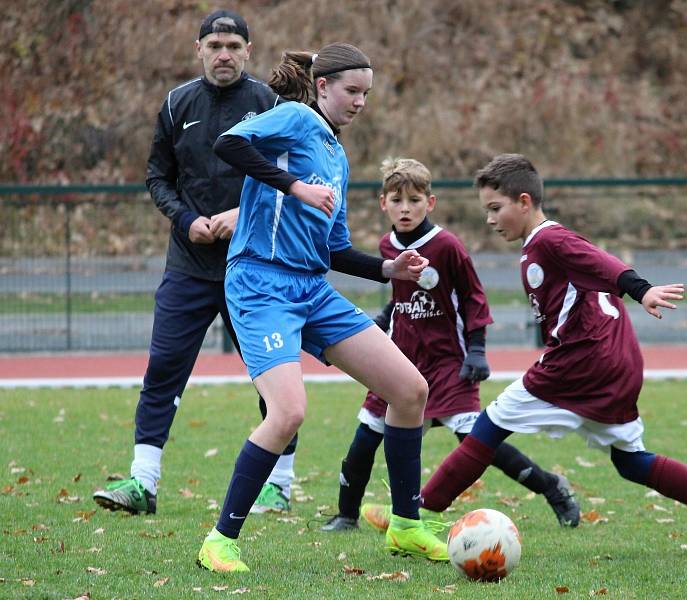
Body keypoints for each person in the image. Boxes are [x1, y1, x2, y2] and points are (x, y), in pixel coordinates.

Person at [364, 153, 687, 559]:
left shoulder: (550, 239)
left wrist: (641, 288)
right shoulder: (540, 246)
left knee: (487, 427)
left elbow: (602, 262)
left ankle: (413, 516)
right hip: (617, 361)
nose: (489, 220)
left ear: (524, 202)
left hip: (581, 362)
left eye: (495, 208)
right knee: (631, 462)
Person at [197, 42, 449, 573]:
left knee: (410, 391)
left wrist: (389, 270)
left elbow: (333, 250)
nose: (359, 102)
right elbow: (228, 144)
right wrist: (293, 187)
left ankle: (405, 525)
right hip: (261, 285)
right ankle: (220, 541)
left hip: (310, 289)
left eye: (366, 94)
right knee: (287, 412)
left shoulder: (336, 155)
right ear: (322, 87)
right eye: (352, 91)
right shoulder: (292, 118)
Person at [92, 9, 296, 517]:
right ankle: (143, 483)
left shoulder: (268, 104)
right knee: (163, 368)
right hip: (188, 264)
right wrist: (186, 220)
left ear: (248, 51)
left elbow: (289, 179)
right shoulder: (176, 103)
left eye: (232, 45)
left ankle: (281, 485)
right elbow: (157, 177)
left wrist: (237, 213)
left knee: (273, 376)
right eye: (214, 46)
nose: (223, 54)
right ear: (198, 50)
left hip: (254, 266)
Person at [319, 158, 580, 534]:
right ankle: (346, 515)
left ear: (431, 203)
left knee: (477, 444)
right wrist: (384, 320)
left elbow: (474, 298)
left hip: (448, 364)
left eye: (413, 199)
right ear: (383, 204)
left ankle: (551, 487)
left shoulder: (447, 246)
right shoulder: (386, 246)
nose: (405, 208)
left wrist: (477, 349)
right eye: (396, 200)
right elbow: (402, 296)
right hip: (401, 360)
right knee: (365, 437)